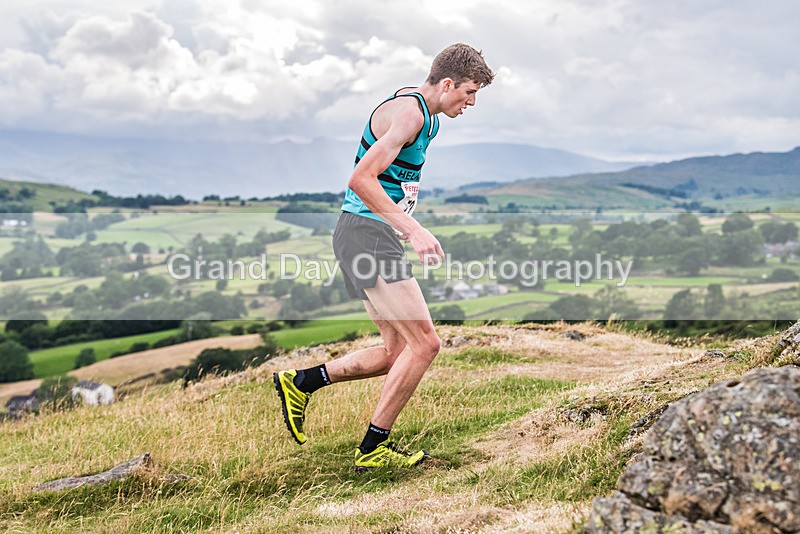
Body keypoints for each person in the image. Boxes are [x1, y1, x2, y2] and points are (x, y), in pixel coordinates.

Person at [274, 43, 494, 471]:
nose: (471, 102)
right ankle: (373, 447)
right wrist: (415, 229)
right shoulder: (411, 113)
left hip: (367, 234)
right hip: (366, 234)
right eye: (469, 92)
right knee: (426, 344)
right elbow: (360, 179)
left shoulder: (428, 117)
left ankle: (302, 382)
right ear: (447, 84)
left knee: (397, 352)